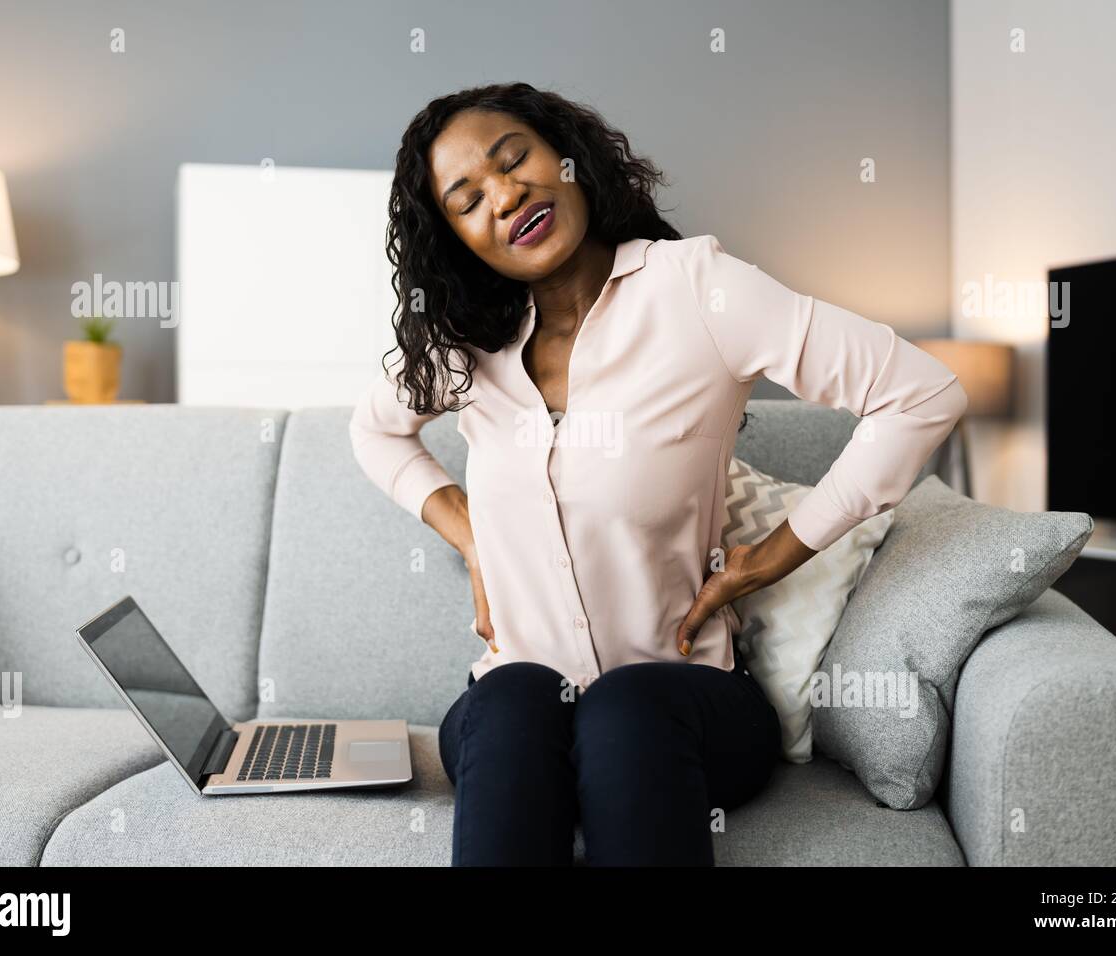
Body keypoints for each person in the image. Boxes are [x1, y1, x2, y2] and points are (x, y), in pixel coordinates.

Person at [350, 82, 967, 866]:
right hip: (521, 708)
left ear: (568, 157)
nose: (505, 197)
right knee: (510, 696)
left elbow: (922, 394)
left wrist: (780, 551)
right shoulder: (465, 347)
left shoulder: (697, 289)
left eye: (516, 160)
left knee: (626, 707)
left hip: (683, 704)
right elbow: (374, 430)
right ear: (457, 238)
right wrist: (473, 539)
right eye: (468, 199)